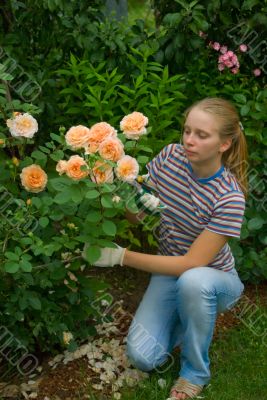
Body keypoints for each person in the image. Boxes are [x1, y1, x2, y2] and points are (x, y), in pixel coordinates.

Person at [85, 97, 248, 399]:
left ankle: (194, 373)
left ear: (223, 144)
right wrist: (122, 188)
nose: (189, 140)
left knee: (194, 281)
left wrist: (120, 256)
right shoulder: (171, 156)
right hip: (169, 272)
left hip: (213, 279)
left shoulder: (229, 198)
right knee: (143, 357)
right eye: (187, 131)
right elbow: (137, 216)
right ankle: (189, 322)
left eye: (202, 135)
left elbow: (191, 263)